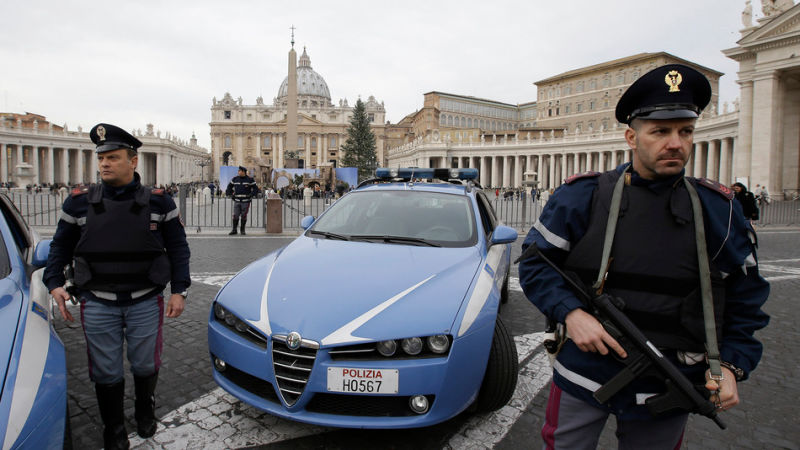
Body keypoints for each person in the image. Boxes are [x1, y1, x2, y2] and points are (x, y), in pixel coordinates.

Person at [517, 65, 770, 449]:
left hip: (671, 379)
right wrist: (572, 313)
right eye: (660, 131)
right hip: (585, 370)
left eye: (685, 131)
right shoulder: (581, 197)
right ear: (631, 137)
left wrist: (732, 366)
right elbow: (535, 265)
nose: (675, 143)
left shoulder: (719, 209)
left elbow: (746, 297)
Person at [43, 123, 190, 450]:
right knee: (105, 368)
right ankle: (112, 427)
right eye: (102, 158)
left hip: (145, 298)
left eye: (113, 157)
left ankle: (143, 410)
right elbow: (59, 247)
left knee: (145, 363)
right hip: (96, 299)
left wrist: (179, 289)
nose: (105, 163)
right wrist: (54, 282)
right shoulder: (78, 203)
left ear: (133, 161)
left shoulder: (160, 202)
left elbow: (178, 248)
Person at [225, 166, 259, 235]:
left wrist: (251, 194)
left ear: (243, 172)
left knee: (243, 215)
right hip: (237, 200)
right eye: (238, 171)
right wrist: (231, 194)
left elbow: (256, 189)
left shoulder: (250, 179)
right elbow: (229, 187)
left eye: (239, 171)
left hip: (246, 201)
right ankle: (234, 230)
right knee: (235, 215)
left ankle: (242, 230)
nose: (238, 172)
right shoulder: (235, 179)